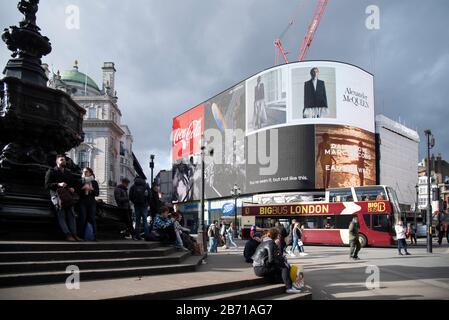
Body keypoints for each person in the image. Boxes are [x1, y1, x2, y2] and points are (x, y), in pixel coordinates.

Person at [252, 228, 301, 294]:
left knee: (281, 271)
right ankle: (289, 288)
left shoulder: (265, 241)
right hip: (261, 268)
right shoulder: (270, 243)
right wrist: (281, 262)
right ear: (276, 235)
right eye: (278, 235)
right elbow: (271, 260)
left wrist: (280, 258)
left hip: (258, 268)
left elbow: (272, 257)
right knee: (284, 267)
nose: (279, 236)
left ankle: (290, 284)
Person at [45, 154, 81, 242]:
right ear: (57, 162)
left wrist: (72, 188)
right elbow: (47, 185)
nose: (63, 161)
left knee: (71, 215)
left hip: (67, 196)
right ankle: (67, 234)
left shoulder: (68, 172)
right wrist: (58, 184)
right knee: (61, 215)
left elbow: (72, 183)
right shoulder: (51, 171)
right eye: (61, 160)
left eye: (64, 160)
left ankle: (74, 234)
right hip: (57, 196)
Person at [78, 167, 99, 241]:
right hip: (82, 201)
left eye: (86, 171)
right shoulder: (81, 181)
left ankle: (94, 236)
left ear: (90, 173)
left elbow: (97, 193)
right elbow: (77, 192)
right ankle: (81, 236)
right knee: (82, 218)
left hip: (91, 202)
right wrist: (82, 189)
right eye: (83, 172)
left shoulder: (94, 182)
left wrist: (91, 190)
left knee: (92, 219)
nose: (84, 173)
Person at [129, 176, 151, 241]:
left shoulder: (133, 186)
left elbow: (130, 196)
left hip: (137, 205)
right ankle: (147, 236)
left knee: (137, 221)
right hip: (144, 205)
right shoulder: (146, 185)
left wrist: (134, 202)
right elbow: (150, 195)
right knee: (145, 221)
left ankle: (137, 236)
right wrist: (147, 203)